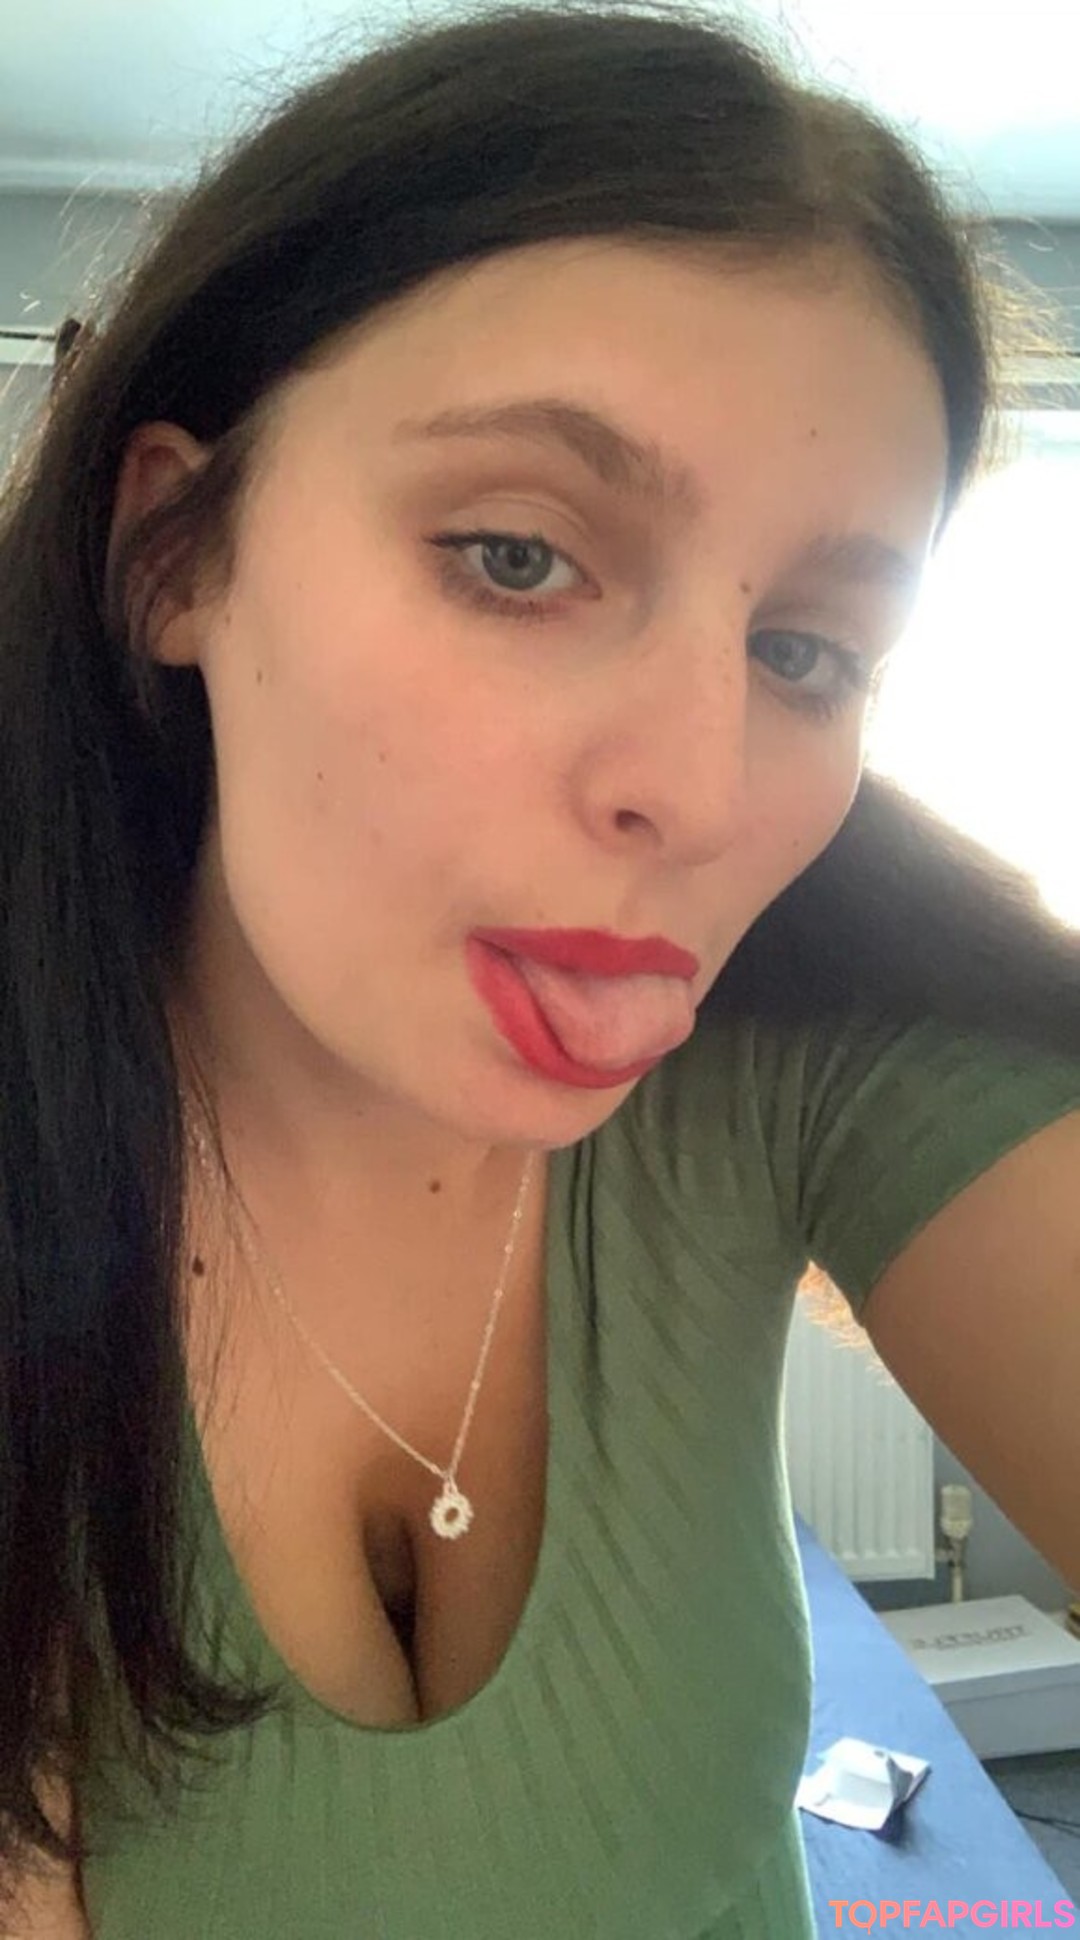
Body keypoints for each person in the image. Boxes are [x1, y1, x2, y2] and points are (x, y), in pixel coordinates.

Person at [2, 3, 1079, 1934]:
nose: (700, 791)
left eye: (805, 652)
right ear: (172, 552)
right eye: (517, 556)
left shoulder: (809, 1056)